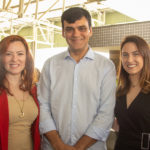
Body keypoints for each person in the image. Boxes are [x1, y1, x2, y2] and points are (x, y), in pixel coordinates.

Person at [38, 7, 116, 150]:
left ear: (90, 31)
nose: (76, 34)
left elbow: (106, 113)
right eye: (69, 29)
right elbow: (43, 107)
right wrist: (58, 145)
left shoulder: (106, 67)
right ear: (63, 32)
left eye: (82, 28)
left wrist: (78, 148)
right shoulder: (50, 65)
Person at [0, 35, 40, 150]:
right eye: (8, 54)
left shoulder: (33, 90)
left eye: (20, 54)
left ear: (27, 58)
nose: (14, 59)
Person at [114, 35, 150, 150]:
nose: (129, 60)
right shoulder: (120, 91)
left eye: (136, 54)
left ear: (145, 56)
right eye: (125, 55)